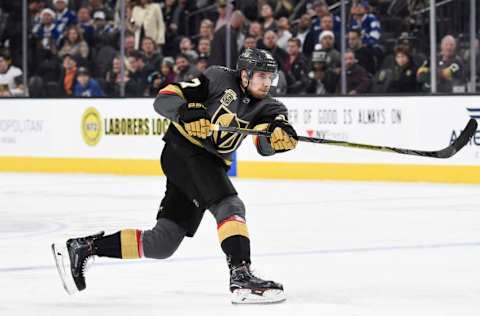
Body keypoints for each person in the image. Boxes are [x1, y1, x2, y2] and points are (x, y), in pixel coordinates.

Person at [52, 48, 298, 304]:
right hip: (183, 151)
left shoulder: (271, 107)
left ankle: (84, 248)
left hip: (208, 165)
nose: (267, 83)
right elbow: (164, 99)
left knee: (162, 243)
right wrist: (186, 112)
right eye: (261, 76)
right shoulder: (217, 78)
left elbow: (266, 142)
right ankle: (241, 276)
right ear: (245, 74)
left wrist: (281, 139)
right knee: (229, 204)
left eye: (271, 77)